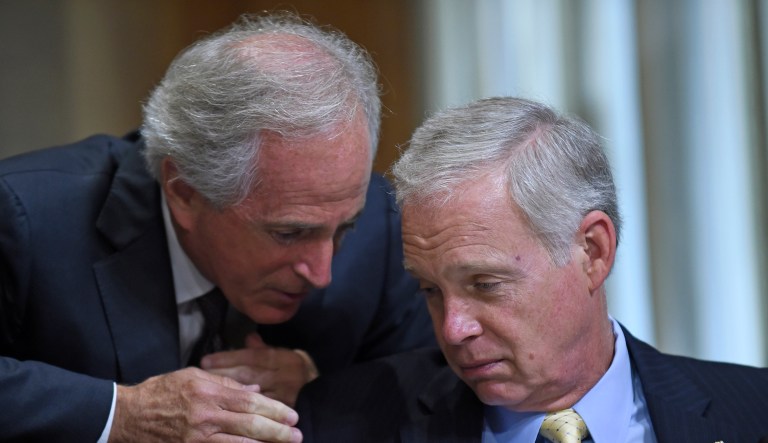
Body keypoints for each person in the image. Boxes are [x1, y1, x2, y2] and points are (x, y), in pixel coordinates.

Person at [0, 12, 434, 442]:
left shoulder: (376, 221)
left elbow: (433, 382)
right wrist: (122, 413)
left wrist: (320, 384)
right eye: (288, 233)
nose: (321, 273)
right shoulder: (28, 215)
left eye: (342, 230)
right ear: (184, 192)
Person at [295, 96, 768, 442]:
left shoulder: (753, 412)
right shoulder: (340, 423)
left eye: (485, 284)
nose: (453, 328)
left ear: (593, 251)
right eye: (430, 290)